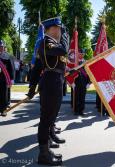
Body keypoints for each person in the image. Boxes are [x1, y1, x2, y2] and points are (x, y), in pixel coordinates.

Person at [27, 17, 69, 166]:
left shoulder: (51, 43)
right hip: (51, 84)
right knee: (46, 120)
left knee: (50, 118)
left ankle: (46, 149)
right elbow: (63, 50)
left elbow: (39, 66)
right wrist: (66, 37)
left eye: (61, 29)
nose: (61, 31)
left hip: (55, 82)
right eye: (59, 29)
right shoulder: (46, 42)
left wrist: (32, 87)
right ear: (51, 29)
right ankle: (43, 154)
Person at [0, 40, 14, 117]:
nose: (0, 48)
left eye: (1, 46)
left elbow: (11, 68)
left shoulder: (7, 56)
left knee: (3, 95)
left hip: (3, 79)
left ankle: (3, 110)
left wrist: (11, 79)